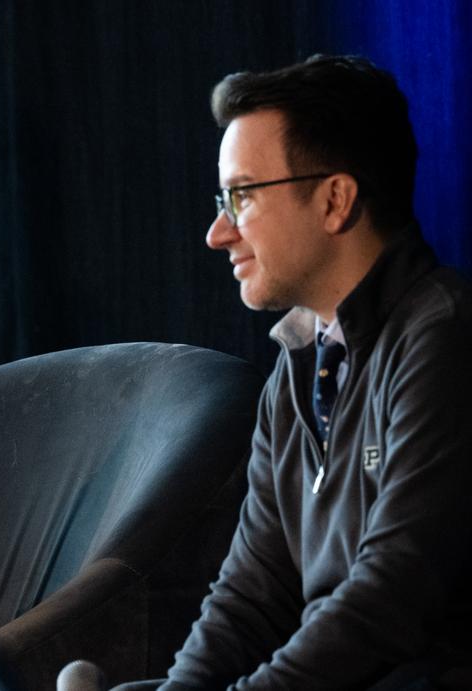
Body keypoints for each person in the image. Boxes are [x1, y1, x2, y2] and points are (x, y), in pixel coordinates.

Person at [61, 55, 472, 691]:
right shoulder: (299, 358)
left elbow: (394, 595)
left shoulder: (442, 336)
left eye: (243, 196)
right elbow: (254, 591)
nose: (217, 232)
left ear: (336, 200)